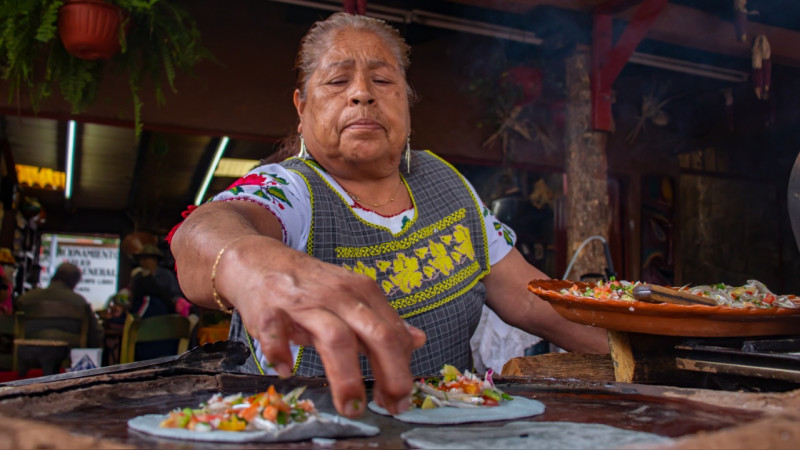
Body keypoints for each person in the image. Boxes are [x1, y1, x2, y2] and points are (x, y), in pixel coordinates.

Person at [169, 12, 608, 420]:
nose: (362, 92)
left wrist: (640, 339)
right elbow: (202, 231)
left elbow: (533, 302)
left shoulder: (448, 185)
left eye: (382, 80)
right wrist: (250, 265)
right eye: (337, 81)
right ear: (301, 109)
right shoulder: (291, 190)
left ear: (407, 103)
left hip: (446, 431)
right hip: (314, 436)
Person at [14, 262, 103, 348]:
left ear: (53, 278)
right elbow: (96, 337)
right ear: (74, 283)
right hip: (68, 355)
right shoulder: (80, 302)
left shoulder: (25, 299)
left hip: (28, 354)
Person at [134, 244, 183, 309]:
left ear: (155, 259)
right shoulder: (137, 276)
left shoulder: (166, 275)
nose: (142, 262)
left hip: (163, 310)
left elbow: (176, 294)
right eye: (140, 259)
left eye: (145, 258)